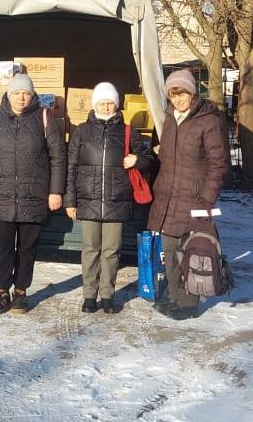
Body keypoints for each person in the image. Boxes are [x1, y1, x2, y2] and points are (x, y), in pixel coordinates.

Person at [0, 72, 66, 316]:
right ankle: (1, 292)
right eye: (17, 93)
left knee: (27, 248)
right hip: (2, 195)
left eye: (26, 93)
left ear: (32, 95)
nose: (21, 98)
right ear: (9, 94)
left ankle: (20, 293)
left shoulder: (44, 118)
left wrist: (55, 191)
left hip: (33, 196)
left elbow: (58, 157)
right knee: (2, 246)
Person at [64, 82, 155, 315]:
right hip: (89, 200)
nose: (106, 106)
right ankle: (88, 295)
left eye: (110, 102)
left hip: (117, 201)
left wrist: (138, 160)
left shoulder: (128, 132)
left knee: (112, 251)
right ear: (95, 104)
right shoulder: (82, 131)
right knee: (90, 249)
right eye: (102, 102)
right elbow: (71, 166)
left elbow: (151, 161)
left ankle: (107, 295)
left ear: (116, 104)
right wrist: (70, 201)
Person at [148, 69, 229, 321]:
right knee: (170, 251)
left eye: (182, 93)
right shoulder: (170, 118)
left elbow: (219, 165)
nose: (178, 98)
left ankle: (188, 302)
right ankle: (175, 296)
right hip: (168, 197)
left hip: (193, 199)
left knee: (191, 252)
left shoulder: (208, 121)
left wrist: (206, 199)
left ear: (192, 93)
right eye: (173, 94)